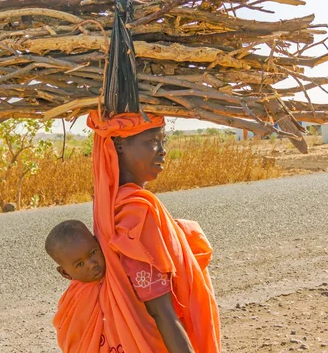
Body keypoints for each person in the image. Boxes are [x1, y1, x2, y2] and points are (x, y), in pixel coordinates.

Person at [50, 110, 221, 353]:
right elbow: (161, 312)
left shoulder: (112, 203)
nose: (162, 150)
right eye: (152, 142)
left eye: (163, 140)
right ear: (119, 146)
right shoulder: (135, 213)